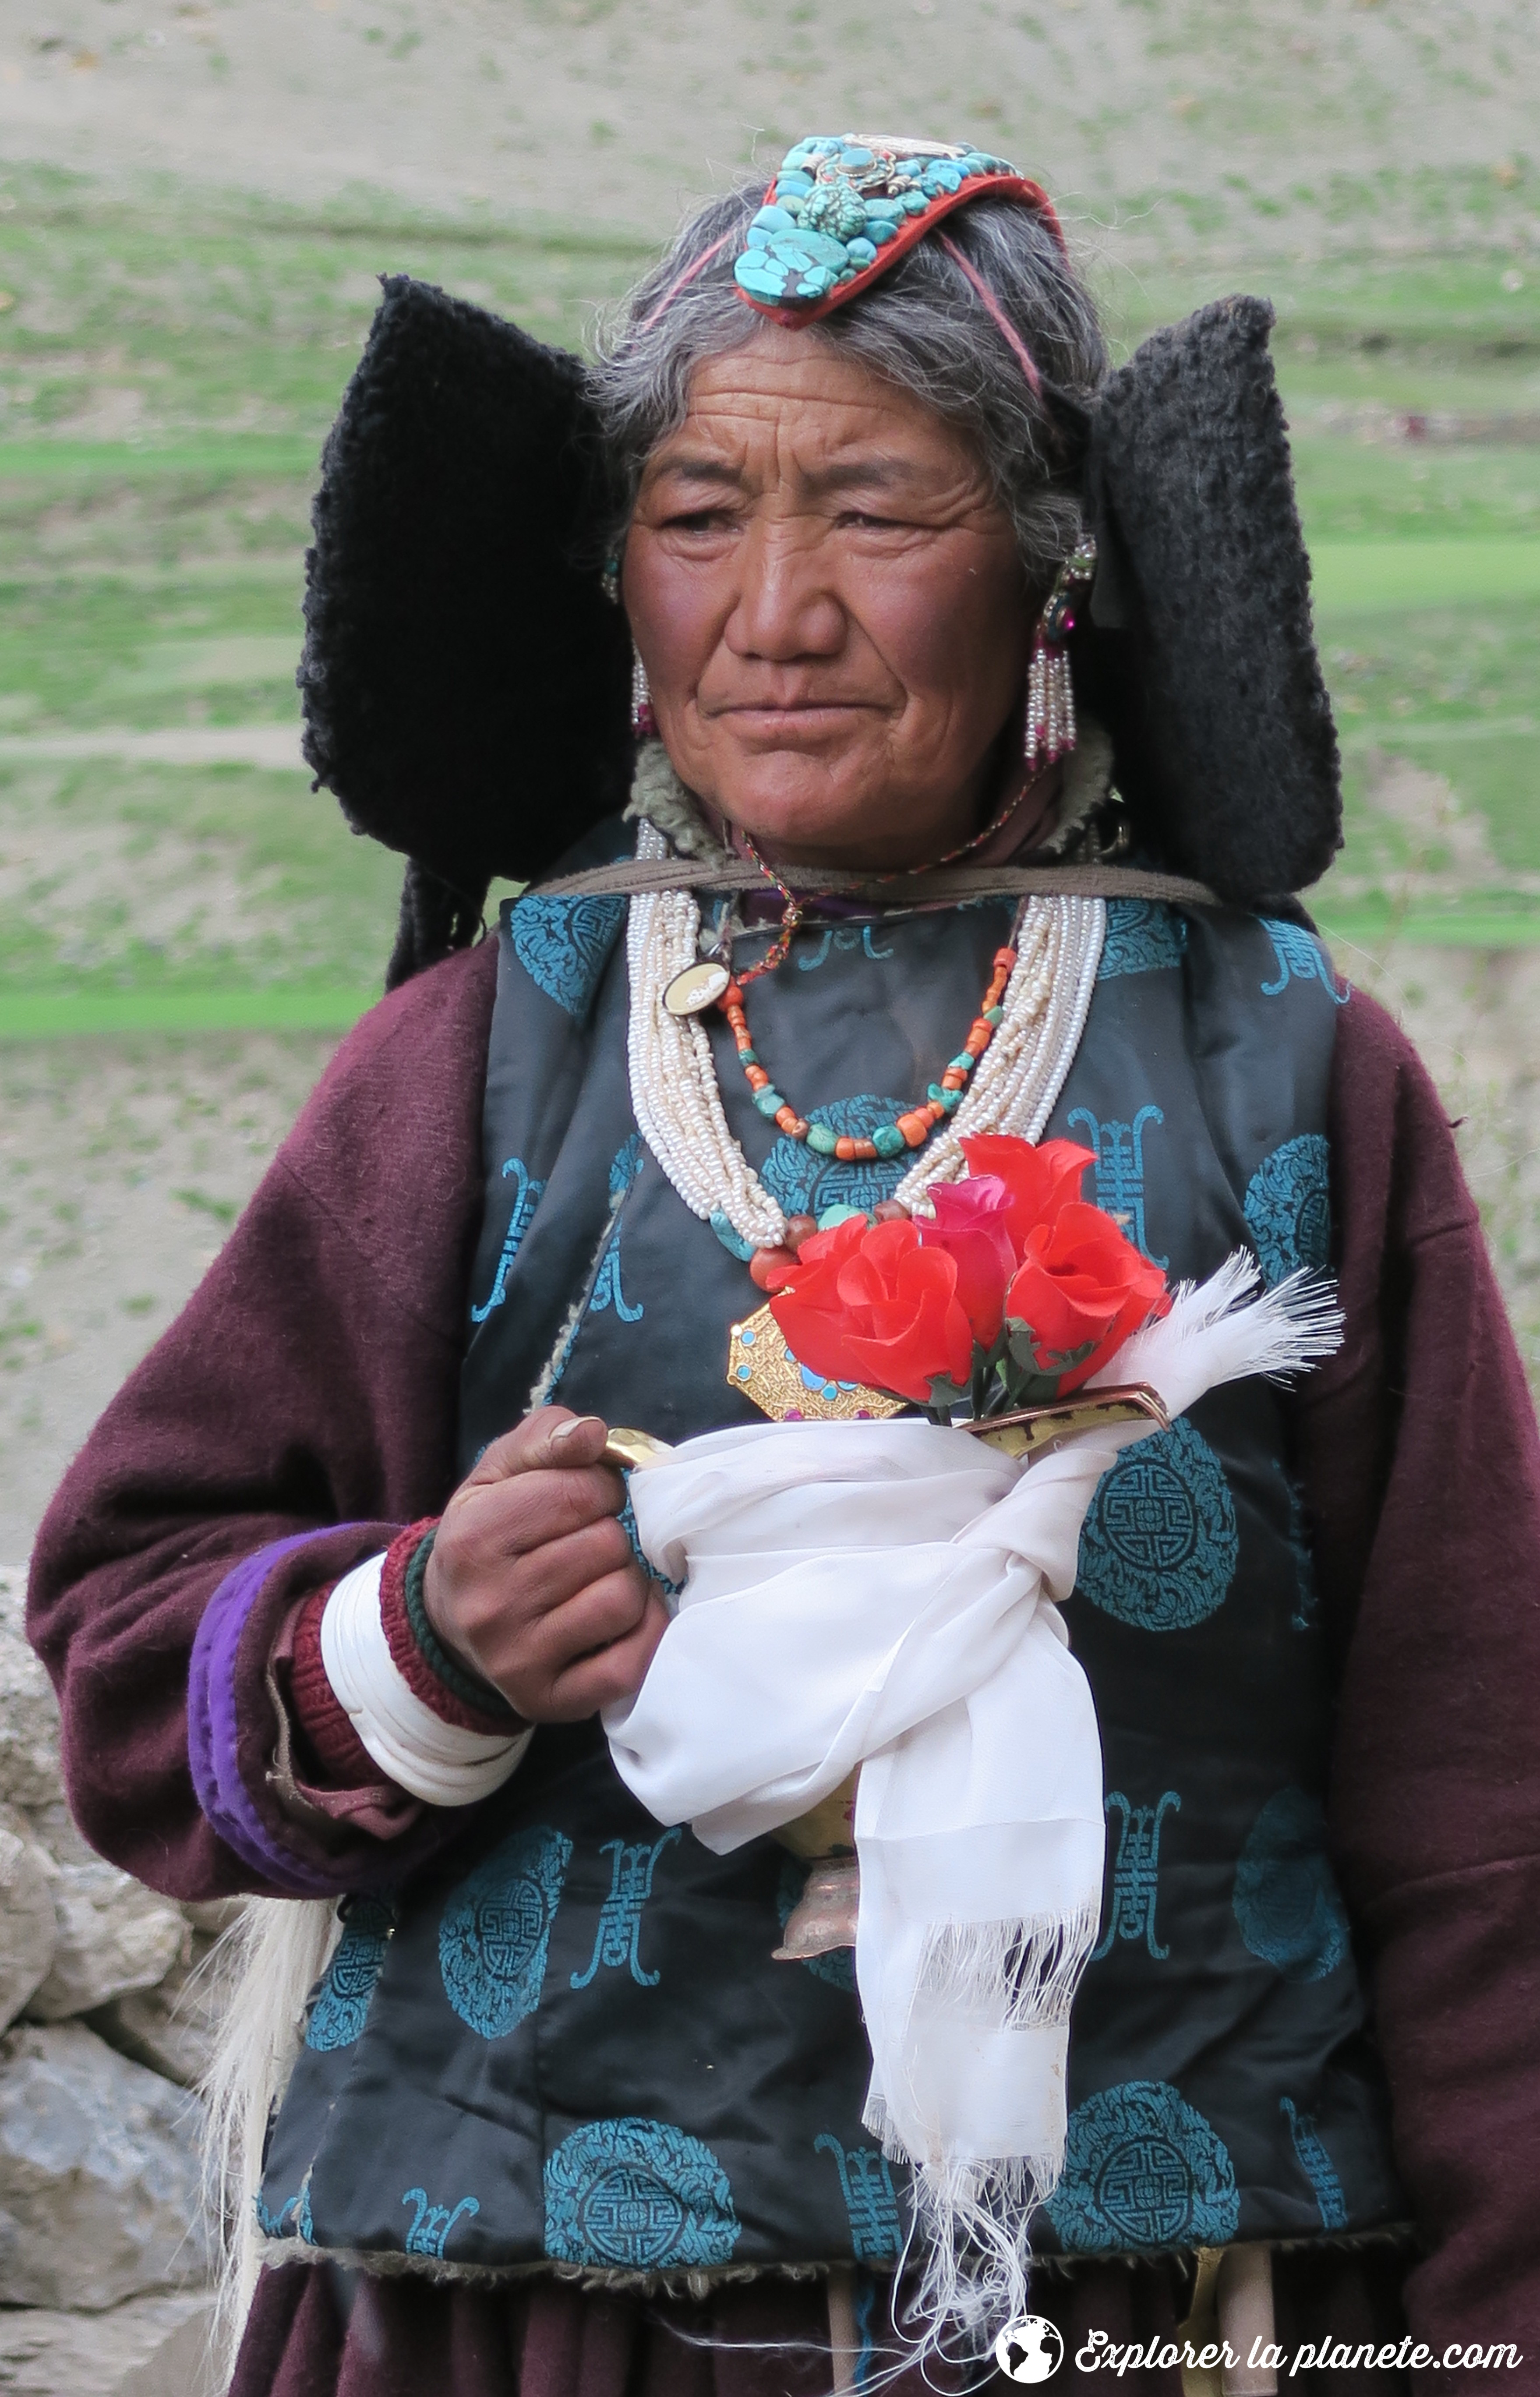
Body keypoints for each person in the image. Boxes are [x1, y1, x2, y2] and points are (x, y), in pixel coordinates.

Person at [28, 137, 1540, 2397]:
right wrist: (428, 1637)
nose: (776, 614)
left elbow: (1481, 1792)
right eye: (698, 515)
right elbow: (131, 1644)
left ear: (1053, 564)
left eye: (881, 512)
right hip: (522, 2316)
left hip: (1168, 2319)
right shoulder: (477, 1056)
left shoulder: (1288, 1067)